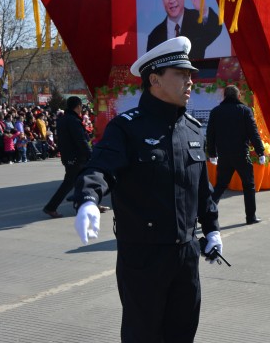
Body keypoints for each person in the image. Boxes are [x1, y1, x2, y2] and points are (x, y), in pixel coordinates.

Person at [71, 36, 221, 342]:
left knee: (183, 331)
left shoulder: (192, 128)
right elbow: (100, 168)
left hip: (186, 254)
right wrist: (88, 199)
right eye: (181, 74)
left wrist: (213, 229)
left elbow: (201, 187)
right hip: (143, 256)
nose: (190, 81)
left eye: (191, 74)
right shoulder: (127, 127)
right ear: (155, 79)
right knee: (143, 334)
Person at [207, 85, 266, 225]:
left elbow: (210, 134)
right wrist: (260, 151)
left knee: (220, 185)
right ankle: (250, 217)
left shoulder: (216, 111)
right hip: (241, 154)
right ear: (238, 96)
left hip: (224, 155)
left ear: (224, 96)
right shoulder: (244, 111)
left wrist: (212, 153)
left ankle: (206, 214)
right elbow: (253, 132)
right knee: (249, 185)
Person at [42, 96, 108, 218]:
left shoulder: (63, 119)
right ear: (78, 107)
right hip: (78, 157)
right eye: (81, 107)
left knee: (82, 182)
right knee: (80, 182)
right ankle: (51, 207)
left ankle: (91, 204)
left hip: (69, 157)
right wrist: (91, 155)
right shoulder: (73, 121)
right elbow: (81, 140)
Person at [146, 0, 222, 59]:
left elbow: (215, 29)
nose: (172, 0)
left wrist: (203, 10)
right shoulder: (154, 36)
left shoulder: (197, 19)